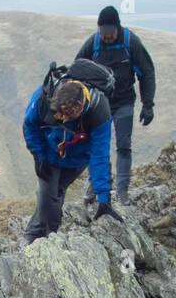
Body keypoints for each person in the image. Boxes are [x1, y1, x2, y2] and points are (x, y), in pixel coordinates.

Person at [22, 76, 121, 244]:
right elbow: (30, 126)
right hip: (50, 155)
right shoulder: (45, 96)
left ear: (81, 108)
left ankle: (44, 236)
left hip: (77, 160)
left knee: (57, 192)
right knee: (47, 195)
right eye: (59, 114)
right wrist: (39, 157)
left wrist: (103, 198)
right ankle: (41, 237)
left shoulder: (99, 114)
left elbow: (100, 157)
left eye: (67, 116)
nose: (62, 119)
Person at [75, 6, 156, 205]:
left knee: (123, 146)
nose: (106, 36)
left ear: (117, 28)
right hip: (98, 105)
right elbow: (77, 69)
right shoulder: (93, 44)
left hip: (124, 101)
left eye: (110, 32)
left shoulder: (130, 42)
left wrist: (148, 105)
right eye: (103, 32)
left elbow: (146, 72)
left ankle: (122, 192)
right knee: (96, 146)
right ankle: (95, 188)